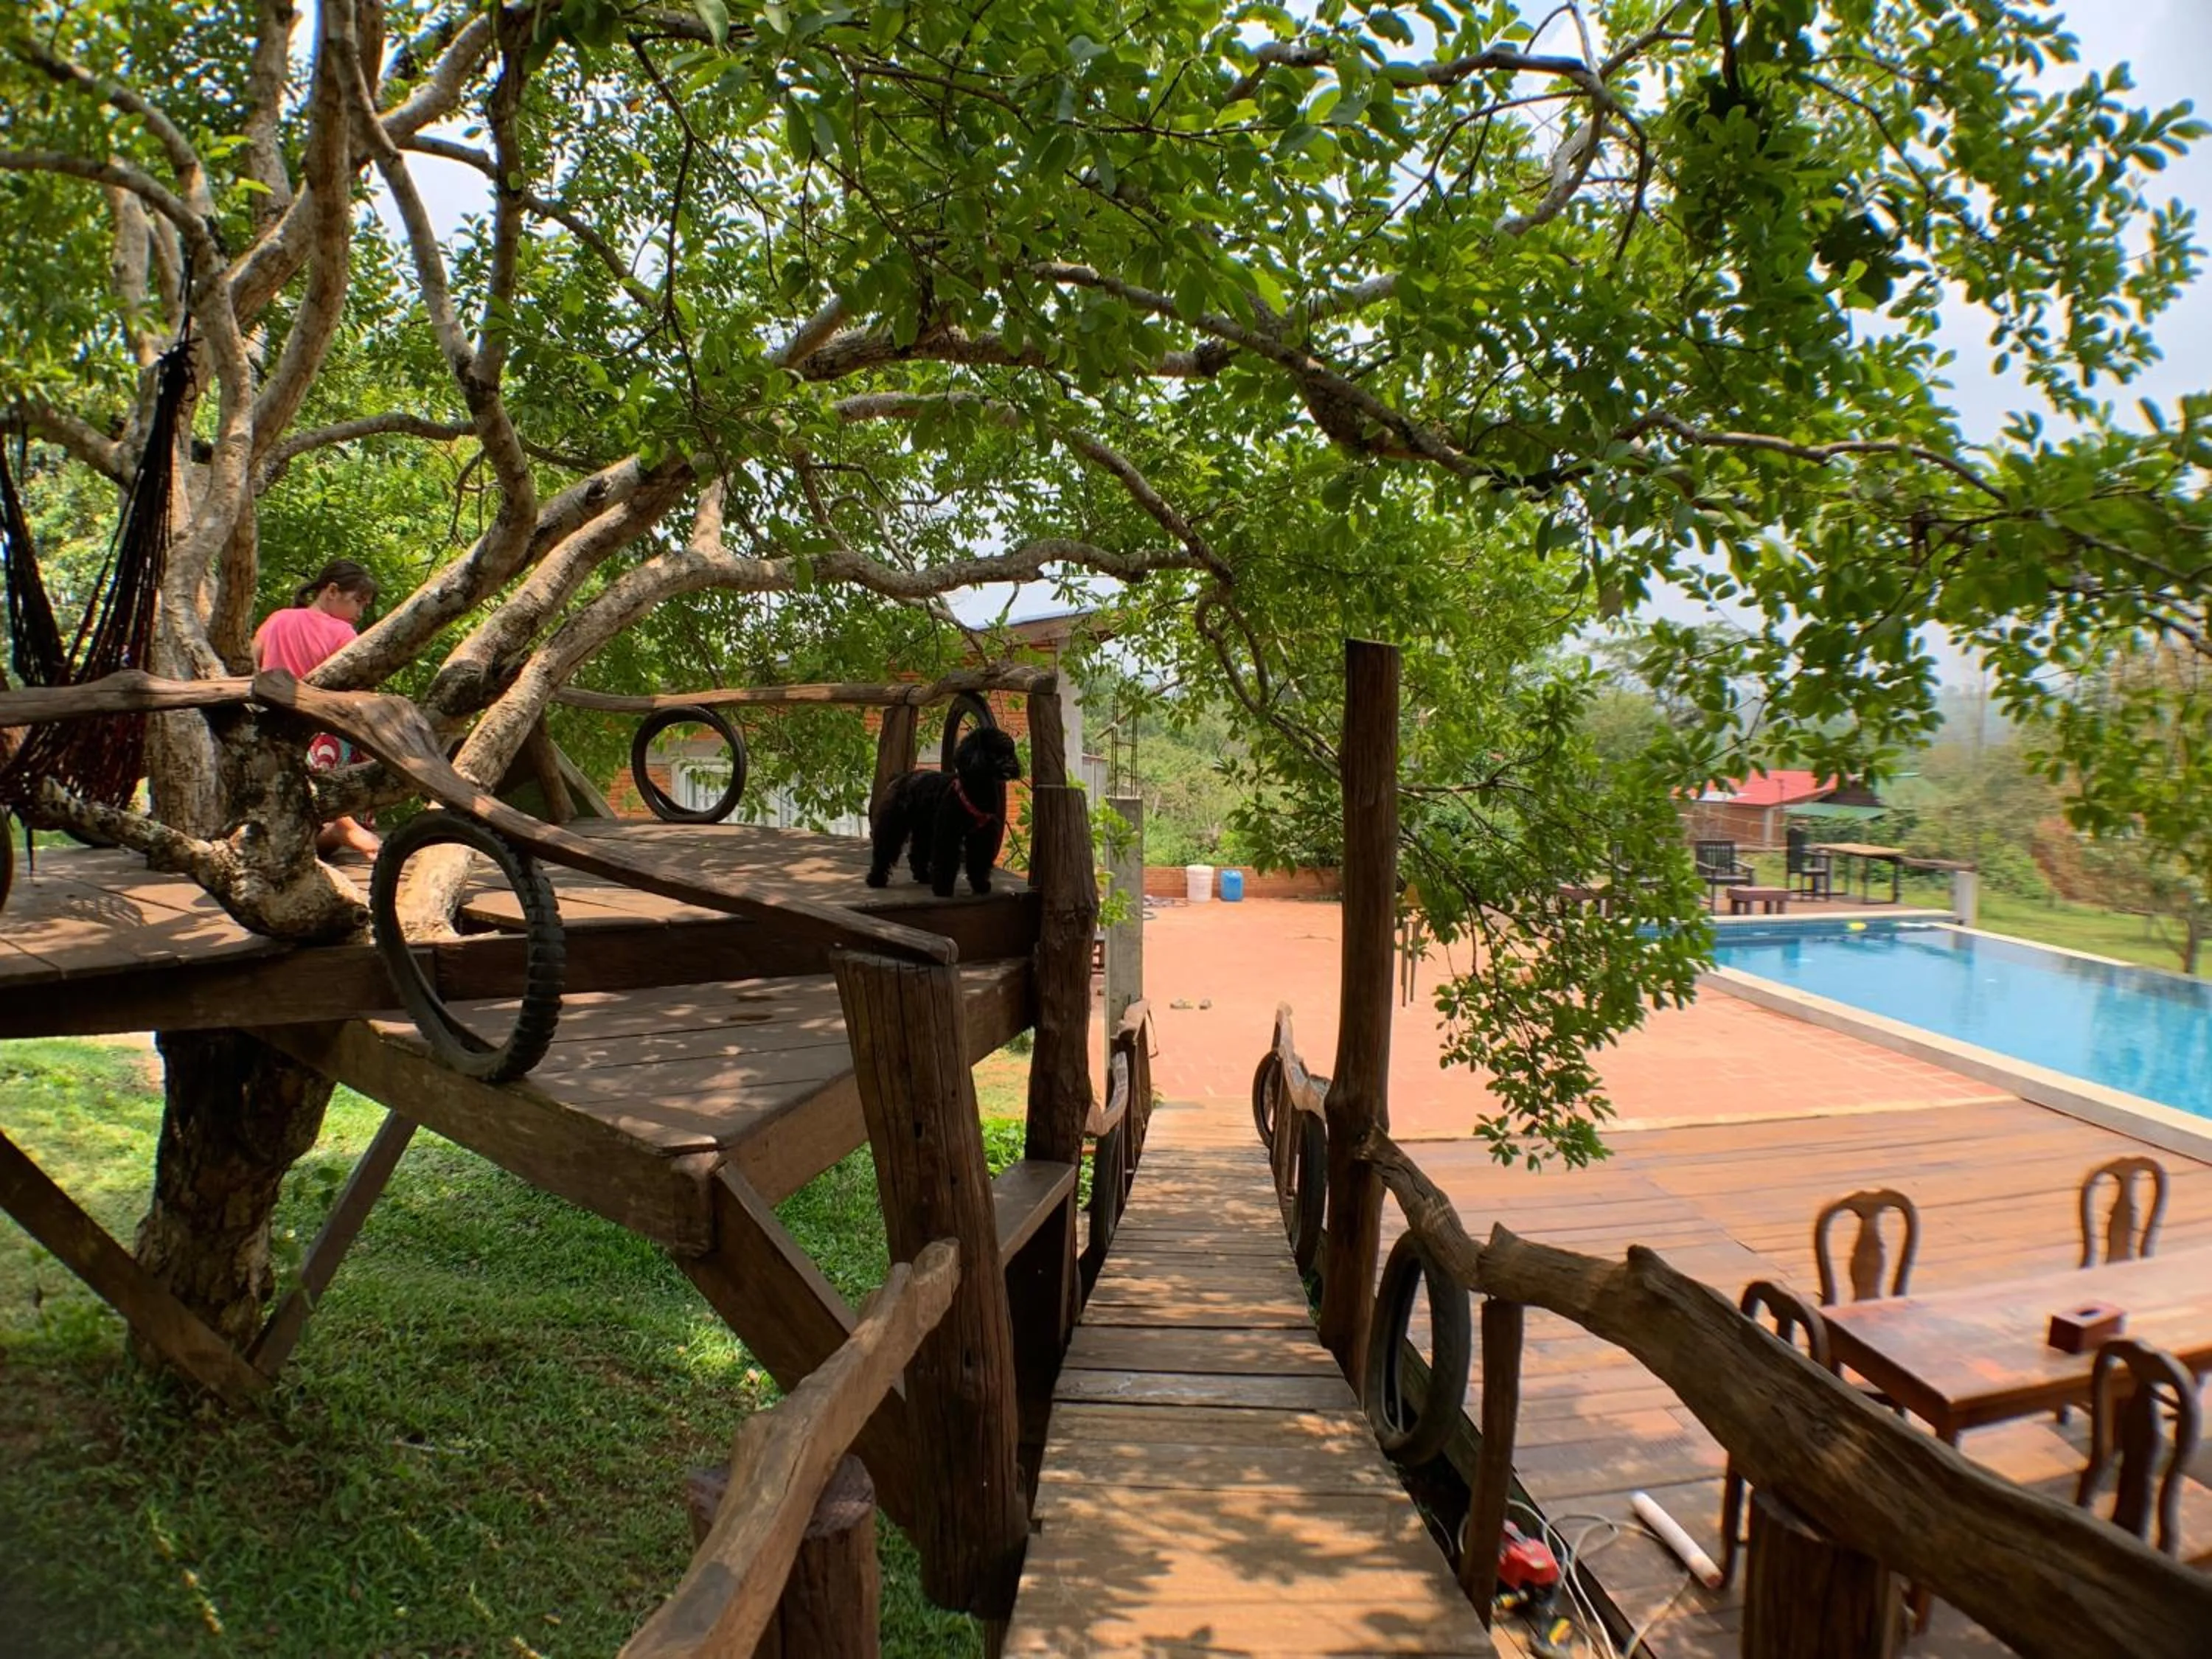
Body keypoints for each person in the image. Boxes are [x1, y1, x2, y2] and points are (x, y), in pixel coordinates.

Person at [254, 559, 381, 858]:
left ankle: (338, 828)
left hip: (273, 729)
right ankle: (345, 824)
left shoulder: (278, 619)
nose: (360, 613)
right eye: (358, 602)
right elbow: (359, 690)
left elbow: (251, 659)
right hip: (323, 734)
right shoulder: (343, 633)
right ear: (332, 591)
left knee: (303, 836)